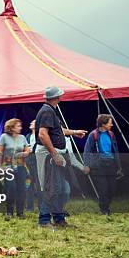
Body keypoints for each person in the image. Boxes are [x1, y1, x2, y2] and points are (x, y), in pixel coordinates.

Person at [35, 86, 87, 228]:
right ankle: (44, 220)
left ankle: (59, 218)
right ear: (57, 98)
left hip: (53, 154)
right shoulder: (47, 111)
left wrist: (74, 132)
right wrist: (55, 154)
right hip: (49, 155)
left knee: (62, 188)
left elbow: (58, 130)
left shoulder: (49, 111)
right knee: (51, 187)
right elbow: (42, 134)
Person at [83, 114, 122, 215]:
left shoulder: (111, 135)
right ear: (103, 124)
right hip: (99, 166)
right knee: (103, 188)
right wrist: (86, 165)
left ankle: (107, 206)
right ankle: (104, 209)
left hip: (111, 164)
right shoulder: (93, 135)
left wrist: (118, 166)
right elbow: (87, 150)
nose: (111, 124)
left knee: (112, 188)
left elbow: (115, 150)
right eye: (110, 122)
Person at [0, 118, 30, 220]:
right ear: (11, 127)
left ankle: (20, 213)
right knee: (10, 190)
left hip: (21, 167)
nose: (20, 127)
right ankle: (9, 212)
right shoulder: (3, 137)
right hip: (8, 167)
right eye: (18, 126)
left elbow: (27, 150)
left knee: (22, 190)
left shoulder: (23, 137)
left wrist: (24, 153)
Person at [25, 120, 39, 212]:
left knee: (39, 185)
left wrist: (31, 150)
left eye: (33, 123)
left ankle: (43, 207)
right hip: (28, 162)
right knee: (29, 185)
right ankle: (29, 207)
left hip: (37, 162)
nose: (30, 123)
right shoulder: (28, 136)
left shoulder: (40, 136)